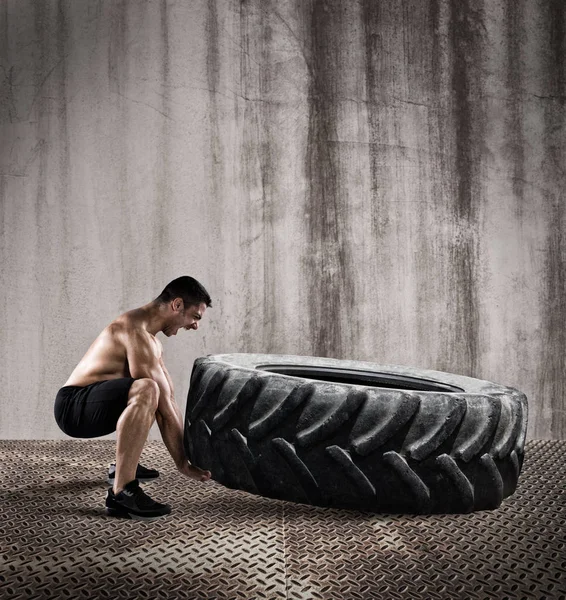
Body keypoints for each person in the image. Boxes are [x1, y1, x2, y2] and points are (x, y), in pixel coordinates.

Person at [54, 276, 213, 520]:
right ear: (177, 305)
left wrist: (189, 452)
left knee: (153, 391)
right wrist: (183, 464)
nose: (195, 326)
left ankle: (123, 467)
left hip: (95, 403)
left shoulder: (150, 339)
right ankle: (122, 492)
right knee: (147, 389)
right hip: (73, 407)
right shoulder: (134, 330)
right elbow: (161, 404)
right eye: (195, 316)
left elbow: (168, 400)